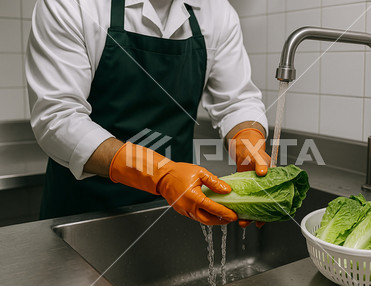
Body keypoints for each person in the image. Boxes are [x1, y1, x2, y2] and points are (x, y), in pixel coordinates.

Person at [26, 0, 270, 227]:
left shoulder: (217, 11)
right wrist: (161, 174)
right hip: (83, 212)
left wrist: (247, 140)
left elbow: (236, 102)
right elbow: (58, 117)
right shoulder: (72, 4)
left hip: (177, 208)